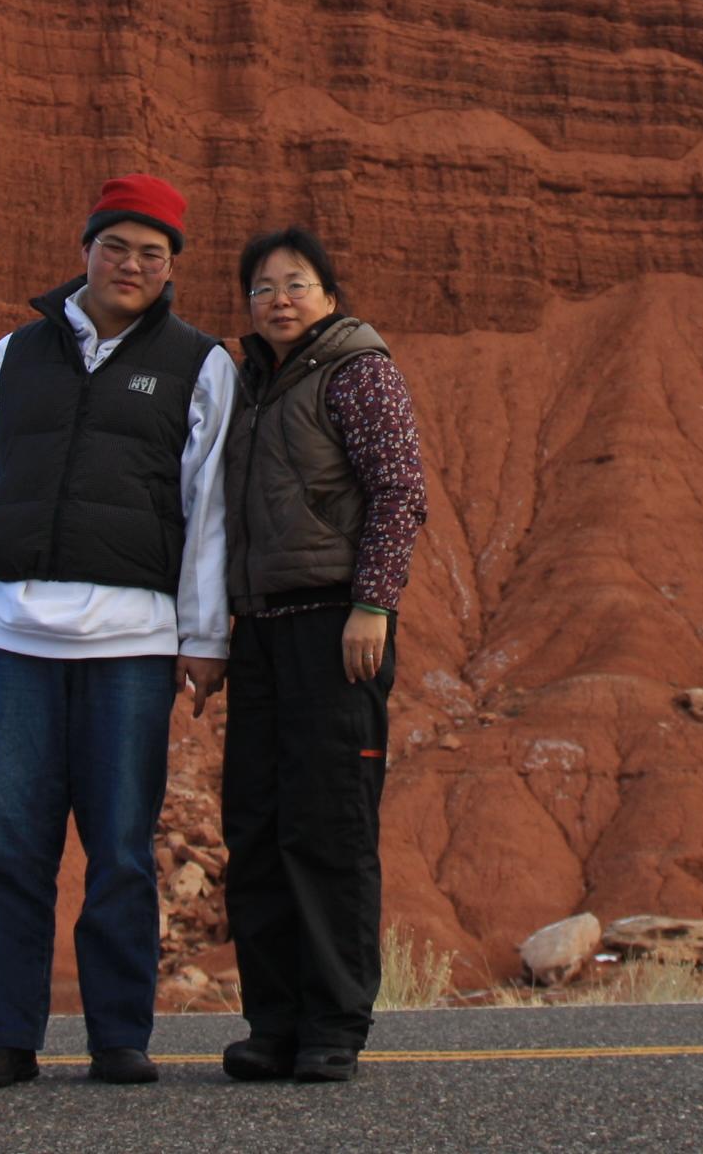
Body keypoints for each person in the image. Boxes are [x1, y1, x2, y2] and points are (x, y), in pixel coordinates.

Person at [0, 174, 235, 1090]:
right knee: (10, 844)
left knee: (118, 847)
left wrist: (203, 636)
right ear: (88, 250)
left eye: (154, 253)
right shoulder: (16, 354)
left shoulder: (198, 361)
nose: (134, 265)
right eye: (119, 247)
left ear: (172, 266)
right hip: (20, 637)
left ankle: (119, 1037)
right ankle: (5, 1038)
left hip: (133, 646)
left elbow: (211, 506)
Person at [217, 224, 428, 1084]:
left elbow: (399, 488)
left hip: (338, 626)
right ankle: (273, 1025)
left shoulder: (356, 370)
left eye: (296, 284)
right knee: (257, 828)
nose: (279, 299)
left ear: (330, 296)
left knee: (328, 825)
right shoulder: (250, 385)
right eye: (263, 287)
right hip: (262, 632)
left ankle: (333, 1026)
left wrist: (373, 602)